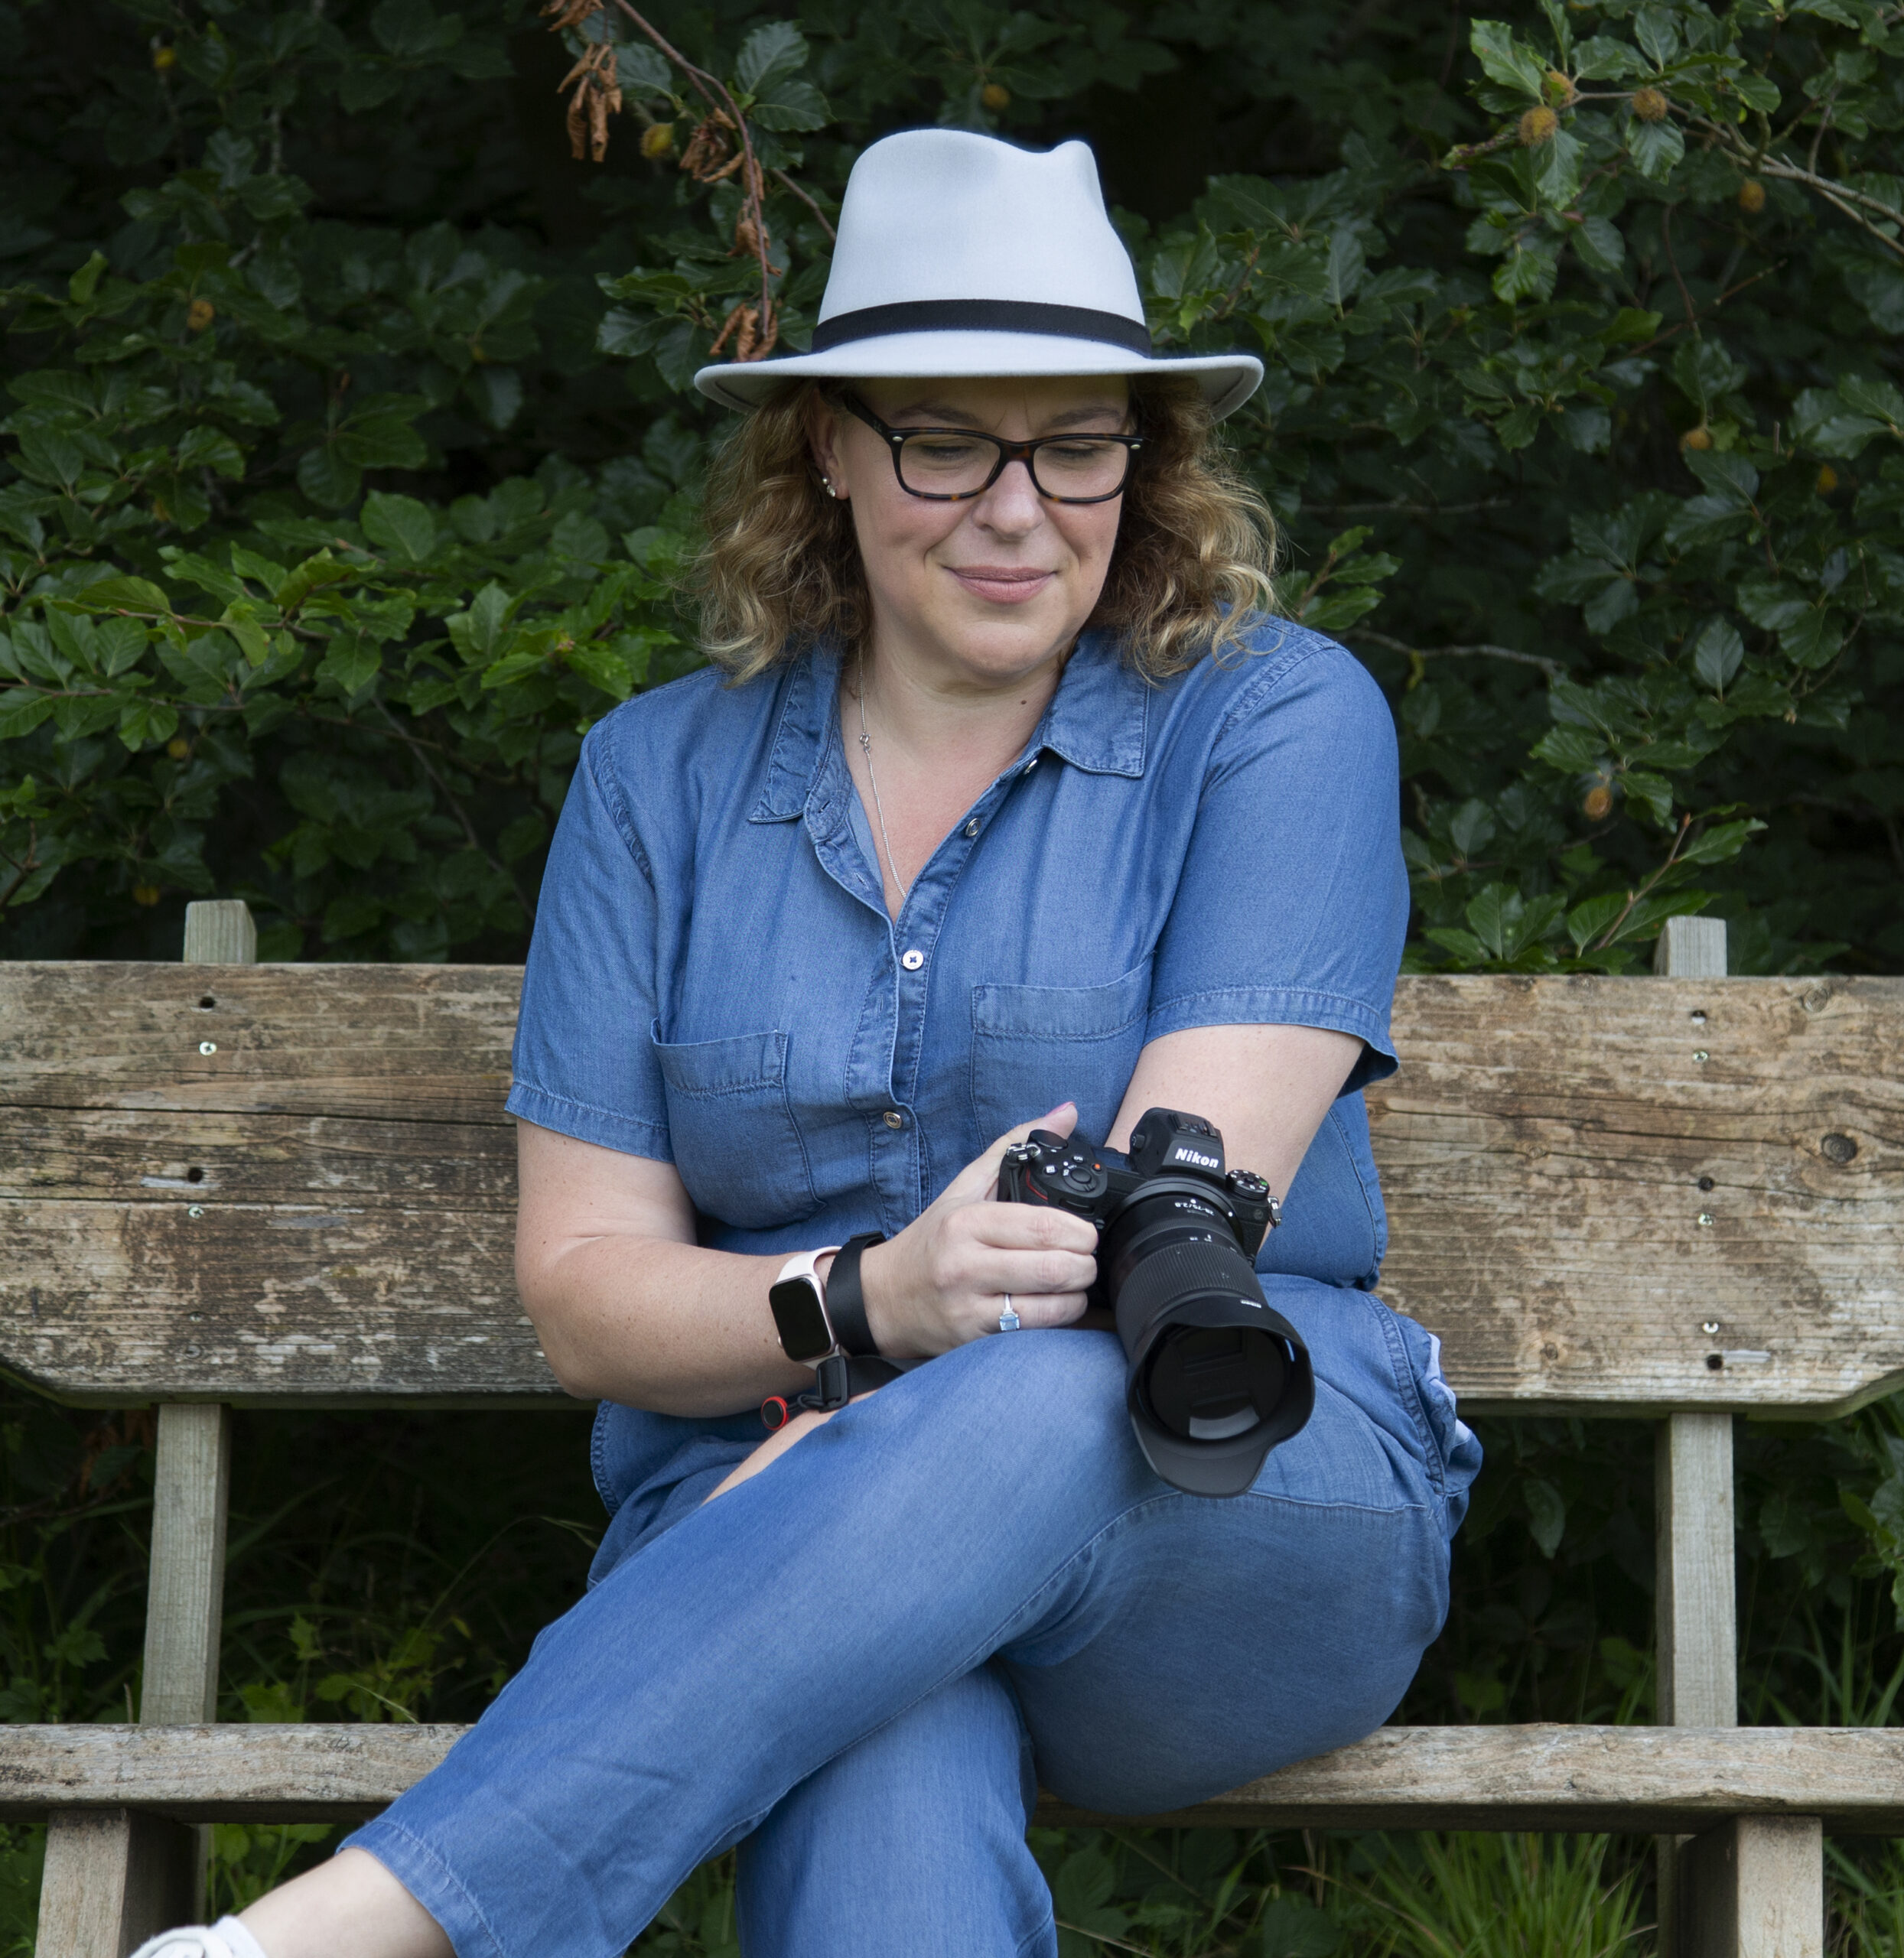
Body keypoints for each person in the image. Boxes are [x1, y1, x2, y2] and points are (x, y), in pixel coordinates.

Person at [135, 127, 1479, 1958]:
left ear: (1140, 466)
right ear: (829, 449)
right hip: (773, 1529)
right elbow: (586, 1289)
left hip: (1227, 1492)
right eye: (946, 440)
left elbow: (1176, 1240)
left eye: (1077, 443)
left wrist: (897, 1401)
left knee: (1037, 1383)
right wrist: (862, 1306)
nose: (1018, 508)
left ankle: (342, 1934)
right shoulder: (654, 780)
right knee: (878, 1740)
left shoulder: (1270, 720)